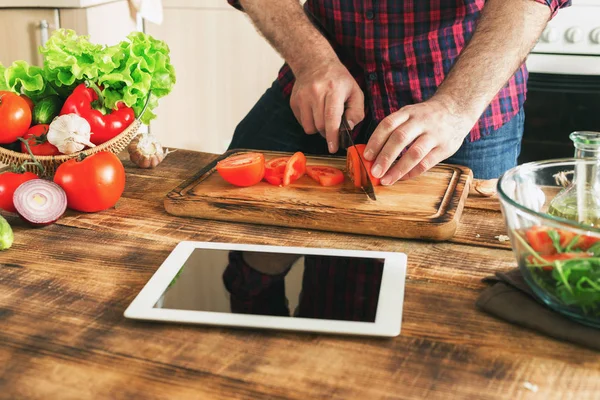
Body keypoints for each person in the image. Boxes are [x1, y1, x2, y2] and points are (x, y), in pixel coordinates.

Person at [226, 0, 569, 181]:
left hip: (466, 96)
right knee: (238, 247)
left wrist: (455, 106)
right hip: (319, 78)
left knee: (458, 282)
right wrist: (312, 60)